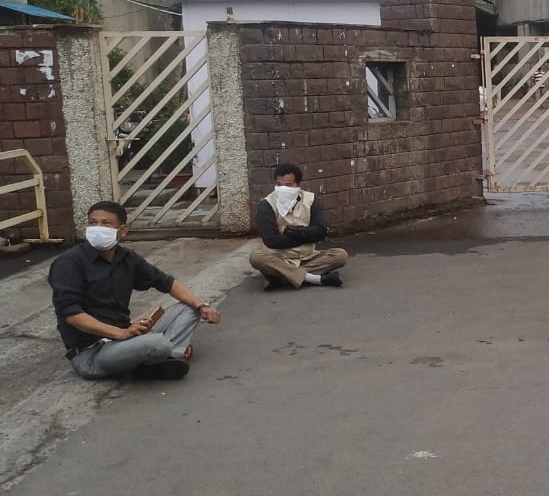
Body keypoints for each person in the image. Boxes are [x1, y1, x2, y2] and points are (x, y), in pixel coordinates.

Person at [48, 200, 221, 380]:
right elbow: (72, 316)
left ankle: (157, 359)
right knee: (157, 343)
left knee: (190, 307)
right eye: (93, 223)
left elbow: (167, 283)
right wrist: (122, 333)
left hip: (126, 339)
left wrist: (202, 306)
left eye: (106, 224)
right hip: (92, 353)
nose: (97, 228)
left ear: (123, 230)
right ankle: (164, 355)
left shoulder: (126, 258)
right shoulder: (69, 262)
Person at [248, 162, 349, 290]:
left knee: (340, 255)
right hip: (279, 258)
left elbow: (320, 232)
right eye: (279, 185)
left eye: (288, 185)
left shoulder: (311, 200)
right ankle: (315, 279)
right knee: (256, 258)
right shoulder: (266, 204)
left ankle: (282, 277)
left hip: (308, 257)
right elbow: (272, 240)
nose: (283, 189)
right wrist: (306, 236)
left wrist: (288, 230)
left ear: (298, 185)